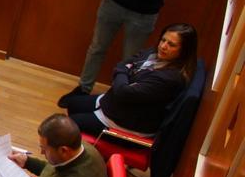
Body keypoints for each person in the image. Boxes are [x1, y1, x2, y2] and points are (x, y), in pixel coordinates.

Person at [65, 23, 197, 137]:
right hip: (115, 104)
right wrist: (124, 73)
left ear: (184, 51)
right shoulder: (153, 53)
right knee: (72, 103)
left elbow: (123, 91)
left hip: (126, 122)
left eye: (171, 45)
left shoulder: (169, 79)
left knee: (69, 125)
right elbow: (124, 64)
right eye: (163, 40)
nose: (163, 46)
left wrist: (124, 72)